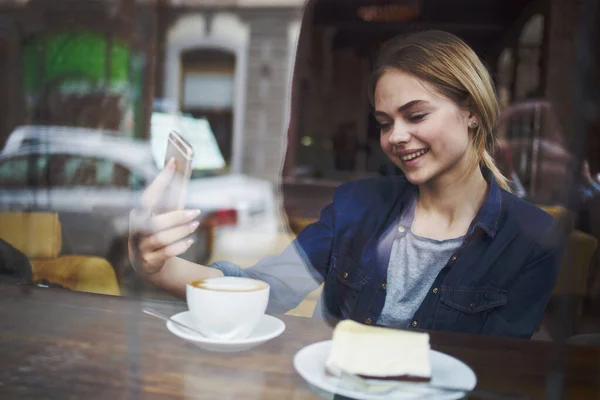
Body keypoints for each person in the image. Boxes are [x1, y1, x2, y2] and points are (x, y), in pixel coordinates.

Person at [129, 30, 564, 339]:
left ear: (471, 111)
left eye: (416, 116)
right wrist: (159, 267)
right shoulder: (356, 205)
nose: (395, 136)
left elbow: (495, 376)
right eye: (384, 122)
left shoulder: (531, 238)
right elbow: (269, 288)